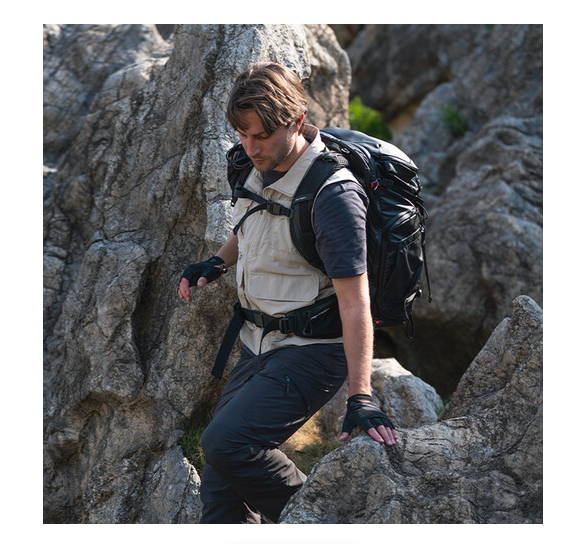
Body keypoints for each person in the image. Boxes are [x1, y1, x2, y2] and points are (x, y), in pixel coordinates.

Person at [177, 62, 398, 524]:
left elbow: (356, 302)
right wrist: (217, 262)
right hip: (257, 343)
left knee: (227, 443)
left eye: (261, 136)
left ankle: (321, 522)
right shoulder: (253, 164)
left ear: (297, 122)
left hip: (312, 352)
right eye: (242, 134)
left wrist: (361, 396)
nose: (250, 147)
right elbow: (254, 219)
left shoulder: (333, 196)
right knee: (220, 481)